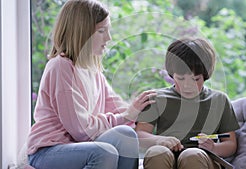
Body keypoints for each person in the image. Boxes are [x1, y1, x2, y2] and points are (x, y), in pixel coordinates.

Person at [27, 0, 156, 169]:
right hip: (48, 151)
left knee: (126, 135)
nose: (108, 38)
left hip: (79, 148)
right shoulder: (61, 67)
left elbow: (119, 109)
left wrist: (144, 112)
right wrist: (126, 116)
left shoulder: (93, 71)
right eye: (102, 31)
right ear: (82, 34)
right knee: (104, 152)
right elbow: (82, 130)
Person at [135, 37, 240, 169]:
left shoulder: (219, 100)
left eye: (195, 79)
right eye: (180, 78)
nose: (187, 85)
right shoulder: (157, 98)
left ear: (205, 75)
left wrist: (214, 147)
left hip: (201, 159)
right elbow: (140, 134)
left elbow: (230, 144)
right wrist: (159, 140)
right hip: (166, 156)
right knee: (156, 152)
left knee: (191, 155)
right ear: (172, 74)